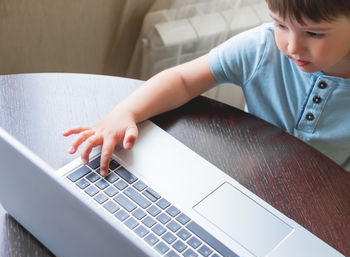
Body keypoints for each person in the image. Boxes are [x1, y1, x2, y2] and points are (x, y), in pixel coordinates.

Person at [63, 0, 350, 175]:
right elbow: (183, 80)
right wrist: (125, 111)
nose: (292, 46)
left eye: (313, 33)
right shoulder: (261, 49)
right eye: (280, 25)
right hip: (254, 178)